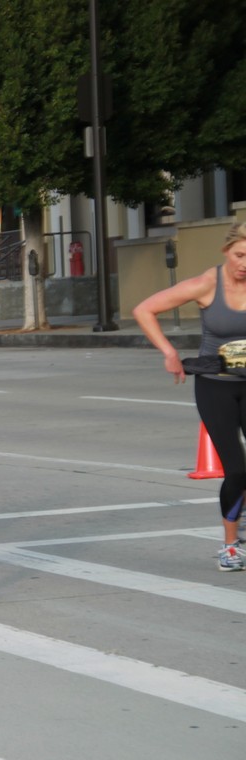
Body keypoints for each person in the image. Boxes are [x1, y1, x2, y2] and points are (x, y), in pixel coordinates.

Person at [134, 221, 246, 571]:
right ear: (226, 251)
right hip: (216, 386)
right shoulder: (207, 284)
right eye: (240, 255)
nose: (245, 264)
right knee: (237, 470)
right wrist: (169, 352)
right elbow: (144, 309)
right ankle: (230, 546)